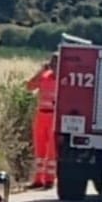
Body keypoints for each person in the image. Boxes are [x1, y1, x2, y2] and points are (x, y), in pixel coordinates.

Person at [25, 54, 58, 189]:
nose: (54, 66)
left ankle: (50, 179)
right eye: (53, 63)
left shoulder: (65, 79)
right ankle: (39, 179)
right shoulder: (45, 76)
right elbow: (30, 87)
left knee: (51, 150)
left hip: (55, 116)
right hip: (42, 114)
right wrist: (40, 72)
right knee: (40, 149)